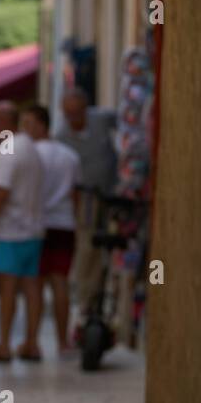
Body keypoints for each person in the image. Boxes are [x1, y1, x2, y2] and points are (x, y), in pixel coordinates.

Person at [0, 100, 45, 363]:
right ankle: (31, 342)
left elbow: (1, 191)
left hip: (10, 231)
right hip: (34, 229)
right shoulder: (30, 147)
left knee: (7, 289)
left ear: (5, 122)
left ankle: (4, 344)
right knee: (31, 287)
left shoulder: (9, 149)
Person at [21, 103, 81, 354]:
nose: (25, 130)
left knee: (33, 285)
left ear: (41, 125)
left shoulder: (29, 154)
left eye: (29, 124)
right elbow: (76, 193)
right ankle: (62, 341)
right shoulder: (70, 155)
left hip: (38, 225)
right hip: (64, 223)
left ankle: (32, 341)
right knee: (61, 283)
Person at [56, 89, 117, 318]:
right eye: (68, 114)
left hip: (114, 193)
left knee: (116, 243)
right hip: (86, 199)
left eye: (77, 112)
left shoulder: (102, 119)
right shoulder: (62, 137)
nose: (73, 118)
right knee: (87, 245)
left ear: (86, 110)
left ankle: (114, 290)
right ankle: (84, 298)